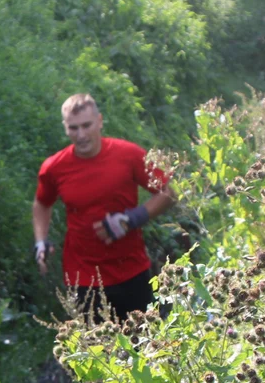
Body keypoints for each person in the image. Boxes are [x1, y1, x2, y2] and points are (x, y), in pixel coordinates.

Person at [31, 94, 175, 322]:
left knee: (145, 348)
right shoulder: (54, 168)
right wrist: (40, 240)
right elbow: (42, 203)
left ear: (99, 121)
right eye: (73, 128)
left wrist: (132, 219)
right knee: (96, 352)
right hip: (83, 276)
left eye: (87, 125)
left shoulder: (129, 155)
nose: (81, 135)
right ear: (65, 128)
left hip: (131, 270)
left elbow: (168, 192)